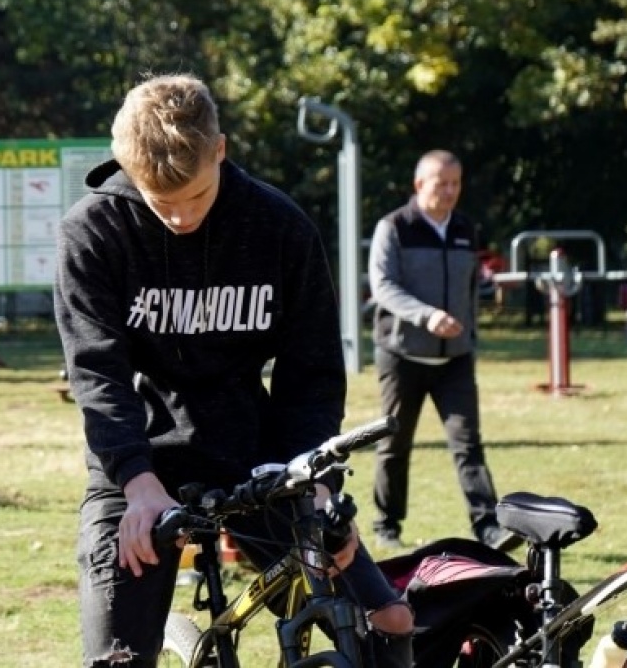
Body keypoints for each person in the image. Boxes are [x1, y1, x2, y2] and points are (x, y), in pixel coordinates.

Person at [53, 74, 414, 668]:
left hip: (259, 452)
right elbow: (98, 376)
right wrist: (137, 484)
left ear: (220, 151)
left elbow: (313, 373)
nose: (179, 218)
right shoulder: (92, 232)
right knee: (115, 660)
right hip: (140, 459)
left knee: (388, 618)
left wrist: (313, 480)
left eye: (195, 197)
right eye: (159, 202)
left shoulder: (280, 227)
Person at [367, 149, 520, 552]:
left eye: (456, 184)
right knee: (394, 444)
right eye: (441, 184)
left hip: (455, 358)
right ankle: (386, 524)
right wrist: (426, 316)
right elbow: (383, 286)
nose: (450, 191)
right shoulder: (394, 227)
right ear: (420, 185)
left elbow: (471, 290)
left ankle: (488, 526)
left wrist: (469, 336)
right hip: (402, 356)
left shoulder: (467, 229)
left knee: (468, 444)